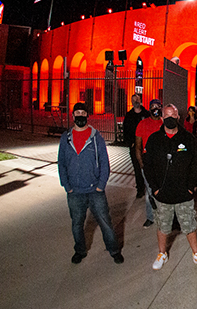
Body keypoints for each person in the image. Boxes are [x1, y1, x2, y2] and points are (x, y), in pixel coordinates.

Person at [144, 104, 197, 271]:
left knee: (189, 225)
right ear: (162, 118)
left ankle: (196, 254)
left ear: (178, 116)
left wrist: (191, 187)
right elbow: (148, 165)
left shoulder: (188, 139)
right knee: (163, 225)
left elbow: (196, 163)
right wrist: (155, 188)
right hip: (163, 194)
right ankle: (161, 253)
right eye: (167, 115)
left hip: (184, 194)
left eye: (173, 114)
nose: (170, 118)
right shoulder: (154, 140)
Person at [58, 102, 123, 264]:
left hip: (95, 190)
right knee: (77, 224)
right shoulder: (66, 138)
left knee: (105, 222)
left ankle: (114, 250)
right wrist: (67, 186)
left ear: (87, 115)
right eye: (77, 113)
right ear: (72, 116)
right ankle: (80, 250)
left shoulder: (96, 137)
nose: (80, 115)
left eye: (83, 112)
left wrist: (101, 185)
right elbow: (61, 163)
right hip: (75, 192)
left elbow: (104, 163)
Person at [136, 98, 164, 228]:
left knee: (164, 190)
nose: (156, 108)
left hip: (162, 163)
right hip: (148, 163)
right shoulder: (143, 124)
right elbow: (138, 146)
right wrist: (141, 164)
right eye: (153, 106)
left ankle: (165, 215)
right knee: (150, 192)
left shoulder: (164, 123)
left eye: (158, 106)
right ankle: (150, 217)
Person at [123, 93, 149, 199]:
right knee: (137, 169)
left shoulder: (146, 114)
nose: (135, 101)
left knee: (148, 167)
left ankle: (149, 187)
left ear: (141, 100)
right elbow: (125, 131)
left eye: (137, 99)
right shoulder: (129, 115)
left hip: (146, 147)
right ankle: (140, 189)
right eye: (133, 100)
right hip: (135, 147)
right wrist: (130, 143)